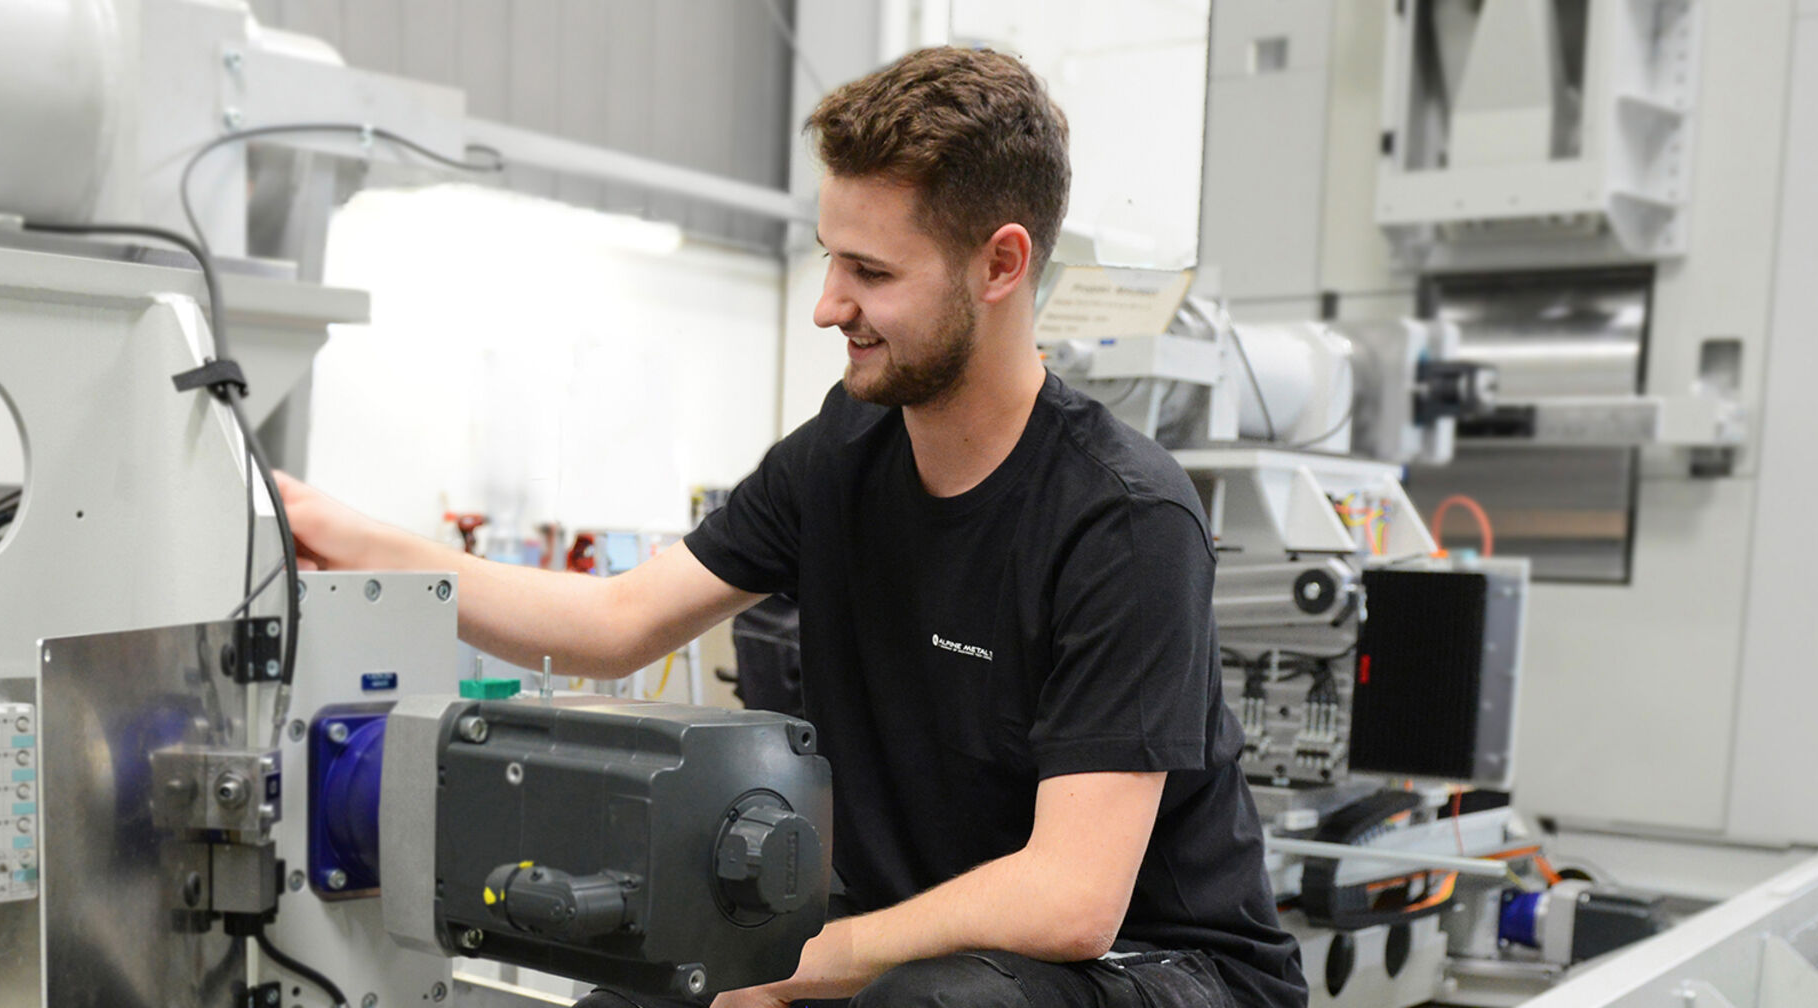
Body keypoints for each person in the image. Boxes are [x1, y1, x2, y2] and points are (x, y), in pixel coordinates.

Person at [278, 46, 1306, 1008]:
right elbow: (617, 620)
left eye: (872, 273)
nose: (827, 305)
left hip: (1162, 966)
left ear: (1000, 266)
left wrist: (795, 969)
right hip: (931, 944)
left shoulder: (1121, 520)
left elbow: (1070, 900)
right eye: (829, 260)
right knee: (643, 984)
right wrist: (352, 537)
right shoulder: (843, 451)